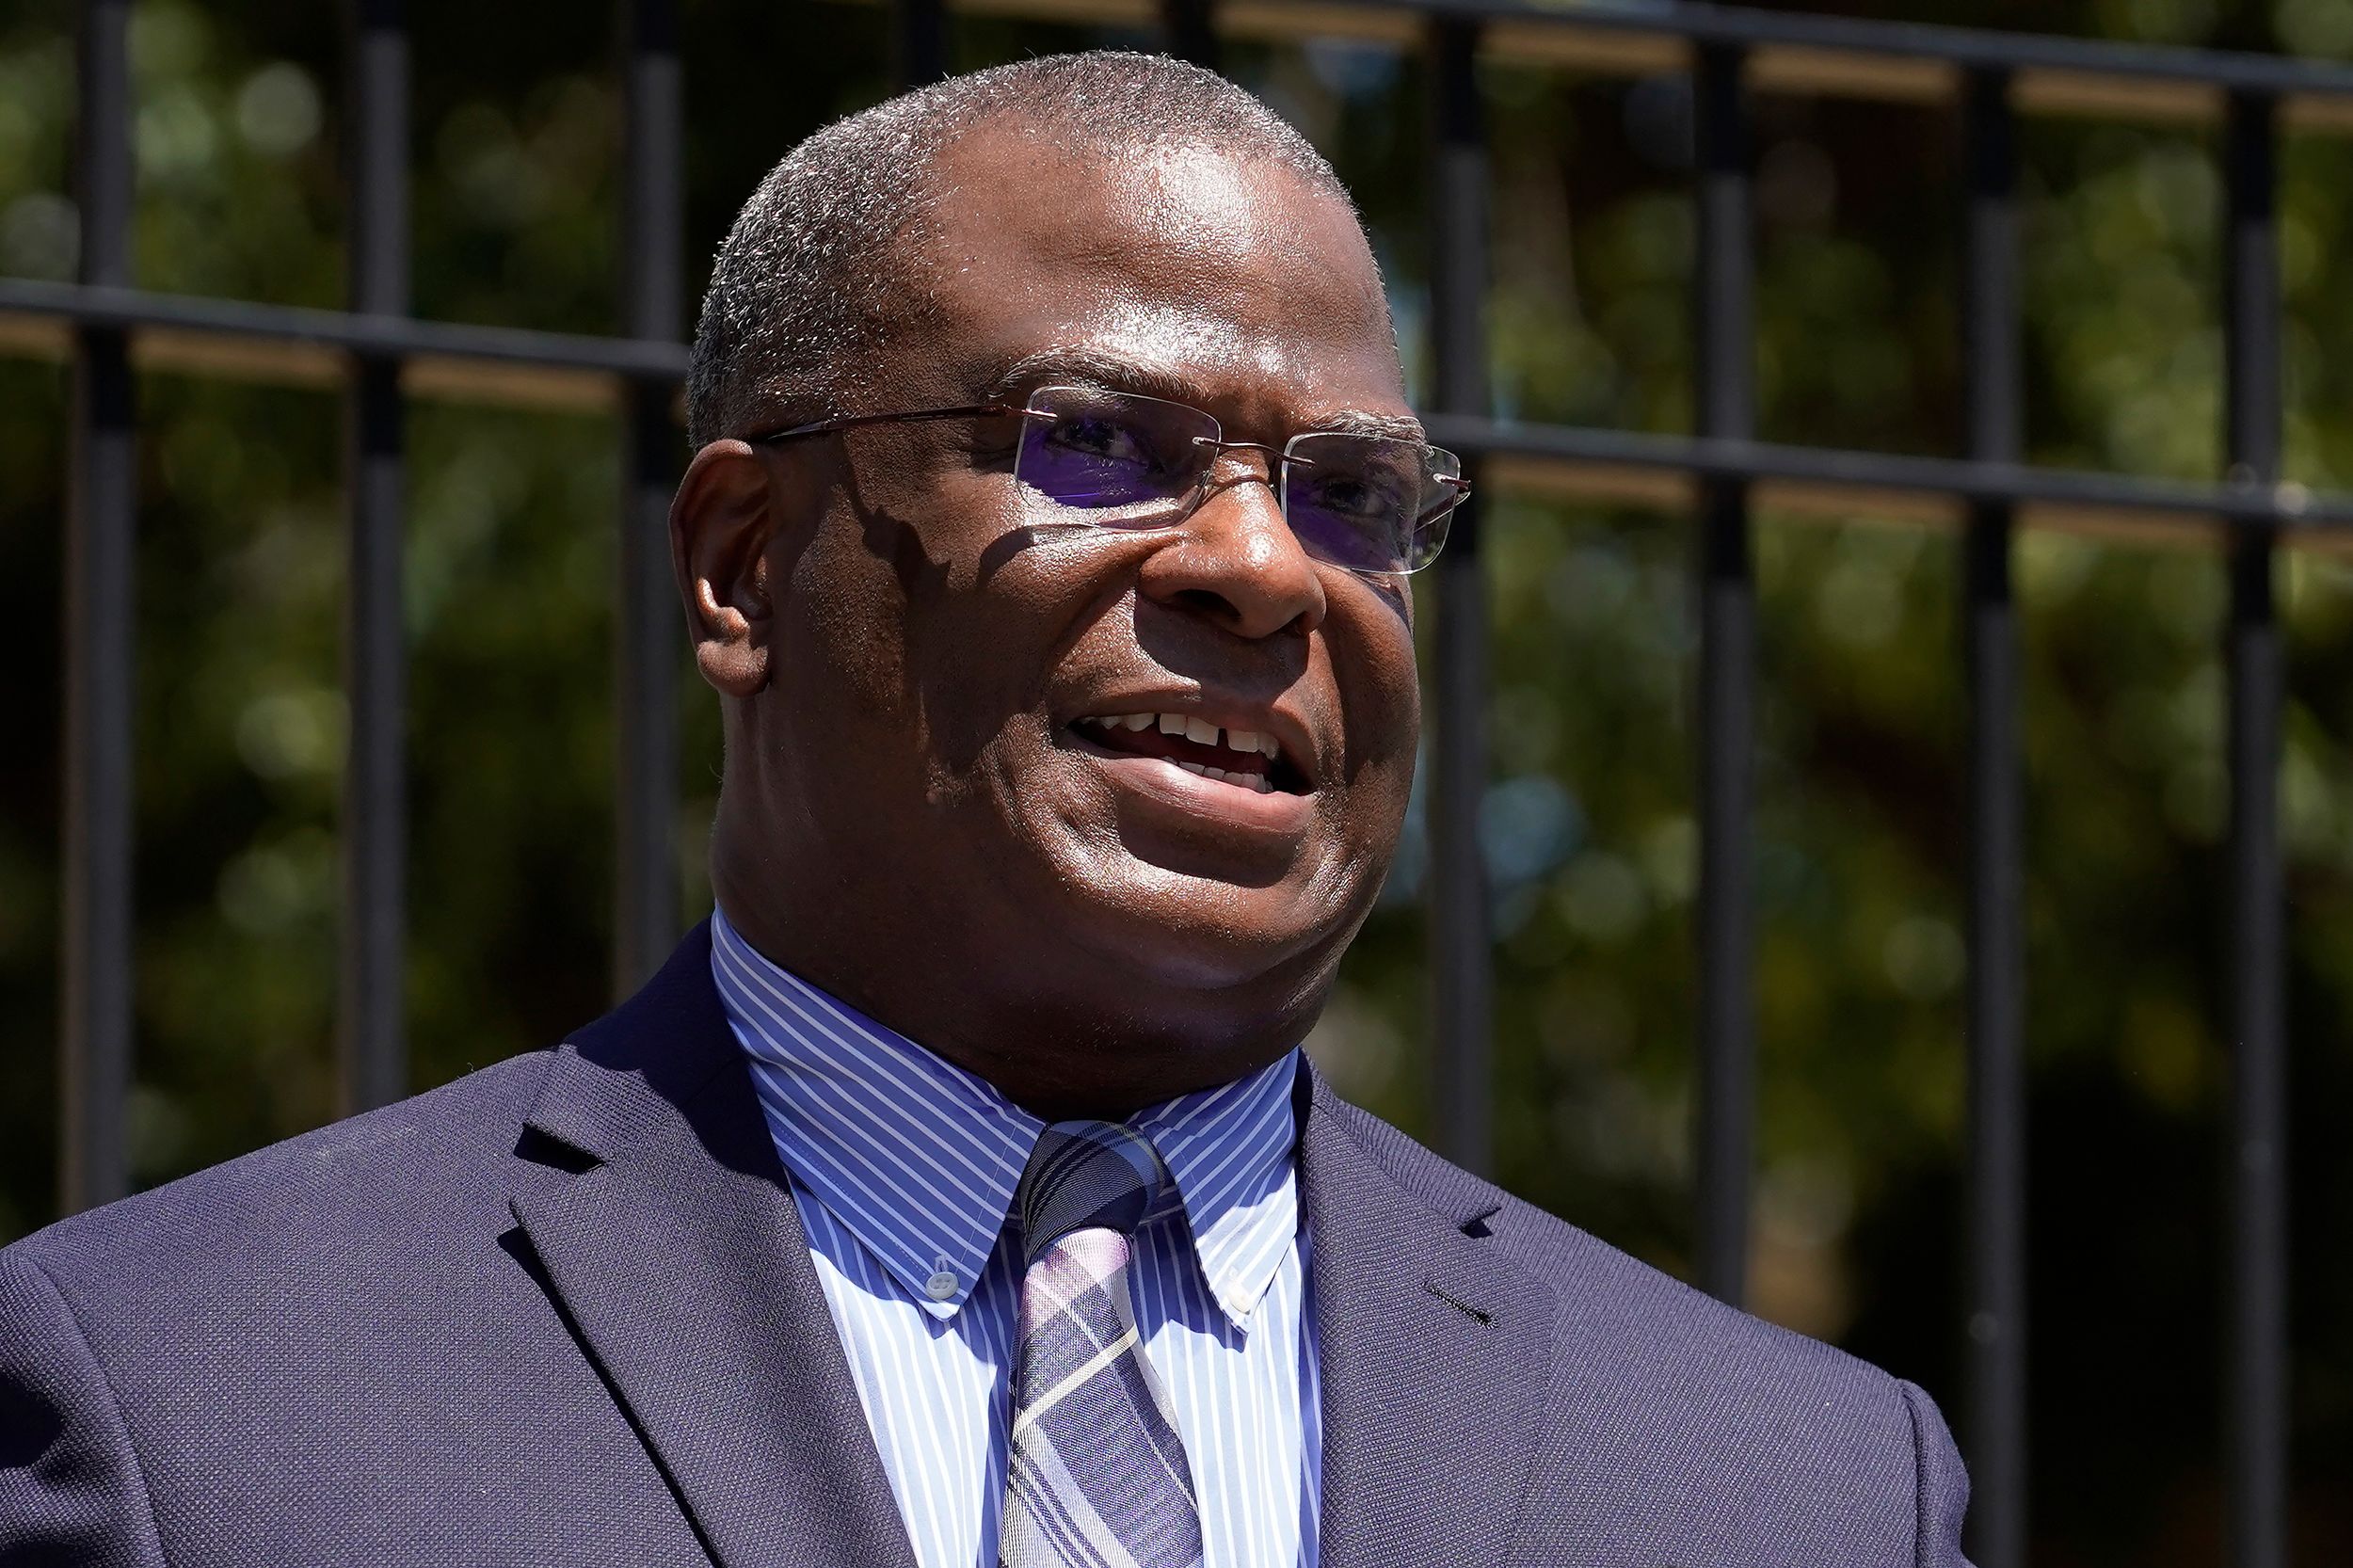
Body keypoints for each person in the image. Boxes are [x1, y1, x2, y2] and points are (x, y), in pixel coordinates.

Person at [0, 52, 1969, 1568]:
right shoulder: (195, 1404)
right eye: (1100, 441)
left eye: (1352, 498)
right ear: (744, 561)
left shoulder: (1783, 1486)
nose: (1264, 570)